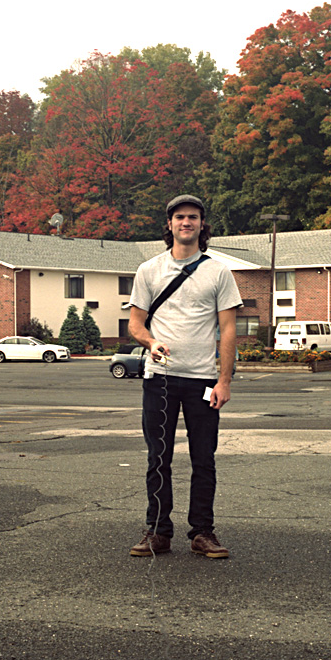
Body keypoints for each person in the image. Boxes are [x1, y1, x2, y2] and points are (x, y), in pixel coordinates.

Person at [127, 194, 242, 559]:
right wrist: (150, 342)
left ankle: (202, 532)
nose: (186, 222)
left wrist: (224, 381)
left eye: (193, 217)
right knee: (158, 457)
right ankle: (158, 531)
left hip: (203, 380)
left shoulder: (218, 272)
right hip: (160, 378)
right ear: (170, 224)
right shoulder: (149, 270)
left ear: (201, 224)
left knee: (203, 458)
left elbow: (228, 330)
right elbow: (135, 324)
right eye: (179, 217)